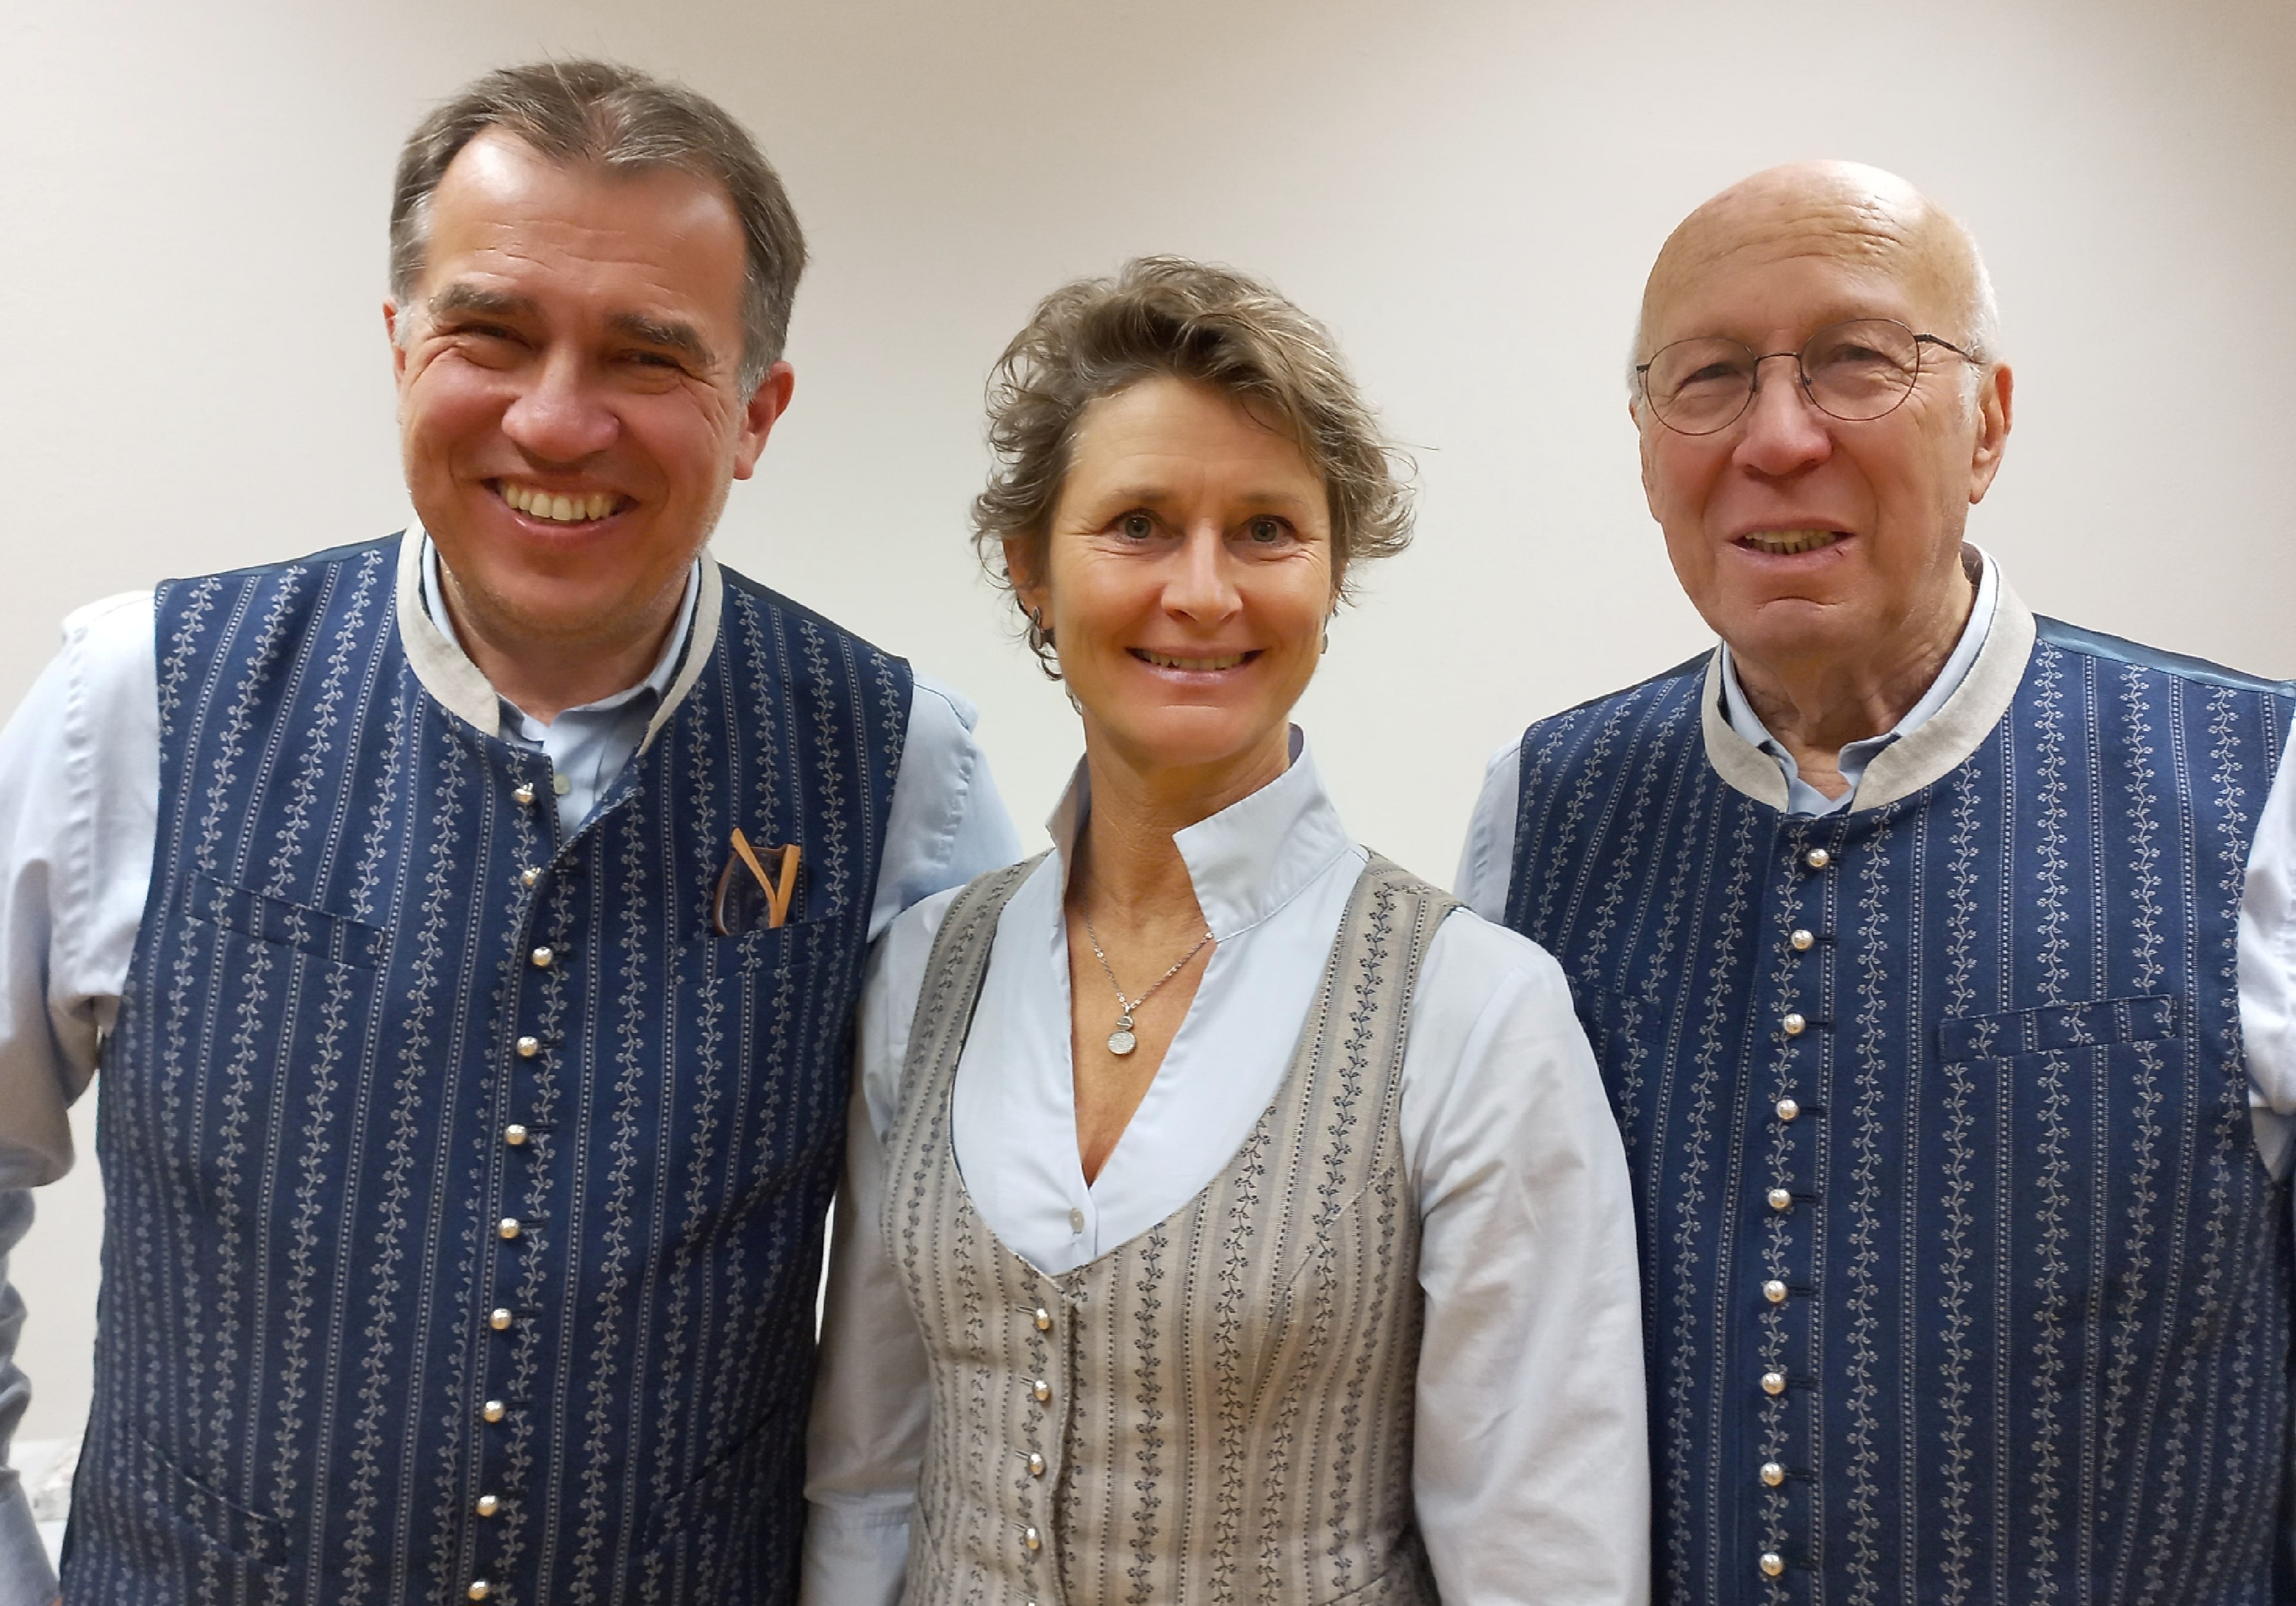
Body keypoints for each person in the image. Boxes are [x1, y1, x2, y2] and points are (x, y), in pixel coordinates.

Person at [0, 60, 1020, 1605]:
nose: (554, 420)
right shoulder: (132, 698)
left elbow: (954, 1309)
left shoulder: (901, 769)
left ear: (756, 413)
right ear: (400, 347)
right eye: (489, 336)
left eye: (647, 357)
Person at [1457, 160, 2296, 1603]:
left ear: (1989, 424)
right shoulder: (1538, 809)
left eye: (1855, 361)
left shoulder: (2257, 784)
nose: (1778, 438)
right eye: (1709, 377)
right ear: (1647, 448)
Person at [798, 257, 1649, 1606]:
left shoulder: (1474, 1007)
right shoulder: (924, 970)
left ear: (1332, 571)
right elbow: (867, 1480)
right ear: (1029, 568)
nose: (1203, 592)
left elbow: (1541, 1553)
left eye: (1265, 529)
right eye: (1137, 524)